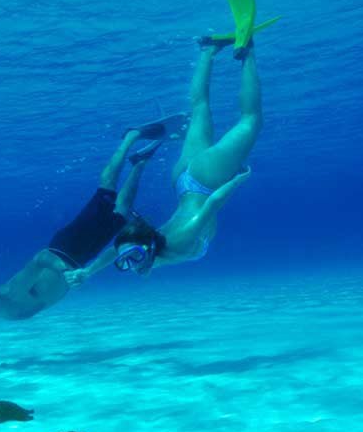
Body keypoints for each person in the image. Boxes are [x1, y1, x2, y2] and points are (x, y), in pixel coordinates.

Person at [0, 114, 187, 319]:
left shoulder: (11, 292)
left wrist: (66, 272)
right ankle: (140, 162)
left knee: (107, 190)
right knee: (122, 213)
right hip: (79, 261)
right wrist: (74, 274)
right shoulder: (6, 315)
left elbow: (40, 258)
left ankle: (130, 137)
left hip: (67, 248)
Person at [107, 38, 261, 277]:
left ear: (148, 247)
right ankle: (207, 50)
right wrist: (87, 271)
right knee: (199, 109)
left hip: (207, 181)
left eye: (134, 257)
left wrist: (238, 180)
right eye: (125, 263)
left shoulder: (180, 240)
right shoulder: (152, 253)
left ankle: (247, 51)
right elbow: (114, 252)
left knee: (250, 120)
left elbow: (213, 203)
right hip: (182, 181)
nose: (133, 267)